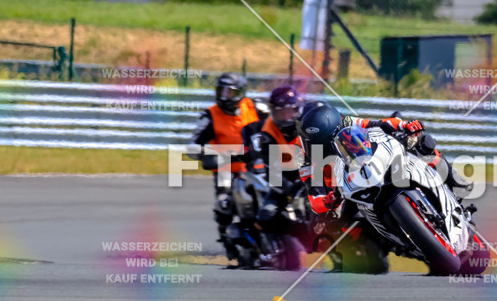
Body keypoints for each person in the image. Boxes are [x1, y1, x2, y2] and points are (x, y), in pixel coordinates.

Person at [297, 102, 472, 214]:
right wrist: (327, 201)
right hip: (347, 193)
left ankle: (455, 181)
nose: (317, 149)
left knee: (419, 143)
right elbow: (315, 200)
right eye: (313, 143)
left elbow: (380, 123)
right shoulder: (306, 161)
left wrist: (405, 126)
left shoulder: (346, 122)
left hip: (369, 162)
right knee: (344, 227)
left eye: (323, 143)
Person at [189, 72, 264, 264]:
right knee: (224, 203)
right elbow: (193, 146)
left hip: (255, 165)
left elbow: (275, 126)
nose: (225, 96)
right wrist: (207, 153)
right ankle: (227, 239)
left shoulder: (255, 107)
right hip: (225, 168)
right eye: (222, 91)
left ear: (240, 93)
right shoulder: (209, 115)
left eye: (230, 92)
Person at [242, 85, 306, 229]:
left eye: (289, 112)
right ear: (272, 112)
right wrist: (290, 188)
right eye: (280, 113)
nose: (285, 117)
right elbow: (271, 170)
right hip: (283, 179)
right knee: (265, 216)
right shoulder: (266, 133)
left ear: (297, 109)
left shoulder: (308, 126)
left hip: (310, 177)